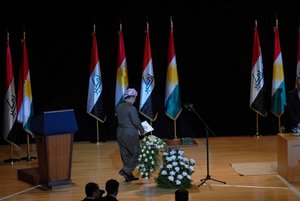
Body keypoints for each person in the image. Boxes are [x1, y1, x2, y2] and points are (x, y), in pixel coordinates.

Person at [116, 88, 145, 182]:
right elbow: (136, 122)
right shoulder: (131, 108)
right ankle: (126, 170)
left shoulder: (119, 106)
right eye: (135, 98)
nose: (135, 100)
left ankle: (128, 176)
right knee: (137, 153)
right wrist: (142, 129)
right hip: (129, 133)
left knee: (125, 154)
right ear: (131, 97)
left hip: (120, 132)